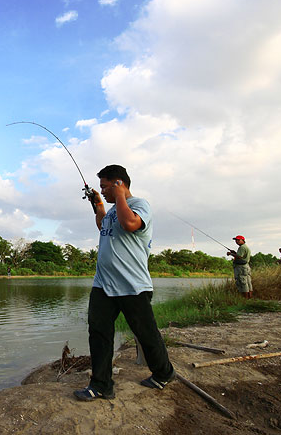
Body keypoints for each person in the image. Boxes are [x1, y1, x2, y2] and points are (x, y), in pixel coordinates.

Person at [74, 165, 175, 402]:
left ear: (119, 183)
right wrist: (98, 204)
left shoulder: (140, 205)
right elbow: (103, 226)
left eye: (105, 187)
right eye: (101, 188)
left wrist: (119, 196)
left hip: (133, 286)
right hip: (103, 284)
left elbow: (130, 224)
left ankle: (164, 373)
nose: (104, 191)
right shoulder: (112, 211)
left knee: (146, 334)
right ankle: (101, 385)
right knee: (98, 332)